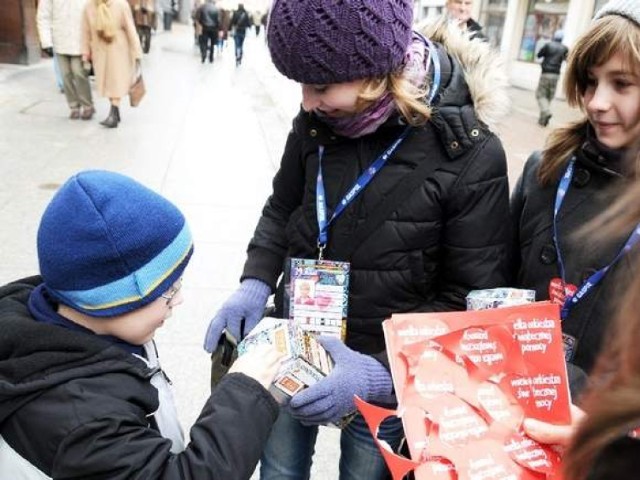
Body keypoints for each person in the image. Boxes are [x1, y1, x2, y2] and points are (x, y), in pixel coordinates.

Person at [204, 0, 512, 477]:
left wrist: (376, 374)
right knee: (281, 470)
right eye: (300, 85)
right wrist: (256, 281)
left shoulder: (468, 153)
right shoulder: (314, 124)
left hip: (386, 375)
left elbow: (466, 301)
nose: (306, 102)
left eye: (320, 86)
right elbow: (283, 209)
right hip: (297, 339)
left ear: (374, 73)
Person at [0, 170, 284, 479]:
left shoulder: (87, 325)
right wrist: (245, 392)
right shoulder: (85, 424)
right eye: (168, 291)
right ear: (110, 300)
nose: (179, 300)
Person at [511, 0, 640, 391]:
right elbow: (494, 283)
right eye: (589, 81)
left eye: (621, 84)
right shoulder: (544, 170)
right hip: (509, 405)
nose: (597, 103)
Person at [82, 0, 143, 128]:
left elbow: (130, 29)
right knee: (107, 83)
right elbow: (85, 32)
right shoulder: (88, 7)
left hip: (119, 50)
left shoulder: (120, 5)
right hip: (99, 52)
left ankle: (113, 113)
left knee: (116, 81)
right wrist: (85, 52)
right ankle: (116, 112)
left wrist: (137, 52)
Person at [37, 0, 95, 120]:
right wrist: (46, 42)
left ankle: (87, 105)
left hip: (80, 39)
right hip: (60, 39)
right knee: (65, 76)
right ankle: (74, 106)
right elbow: (43, 16)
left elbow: (92, 12)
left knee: (79, 72)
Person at [535, 30, 569, 127]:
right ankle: (543, 120)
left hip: (546, 73)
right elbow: (568, 59)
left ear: (554, 37)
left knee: (540, 95)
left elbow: (539, 55)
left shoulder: (548, 45)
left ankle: (546, 112)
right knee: (549, 96)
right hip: (556, 75)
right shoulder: (565, 48)